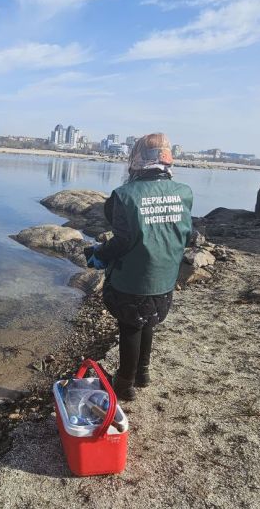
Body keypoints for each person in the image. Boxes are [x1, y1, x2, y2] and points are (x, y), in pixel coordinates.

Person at [83, 133, 193, 401]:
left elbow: (123, 239)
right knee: (149, 322)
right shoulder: (184, 193)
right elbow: (187, 234)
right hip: (165, 277)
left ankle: (124, 383)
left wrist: (99, 255)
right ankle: (142, 373)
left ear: (136, 159)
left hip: (133, 280)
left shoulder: (125, 195)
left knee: (130, 326)